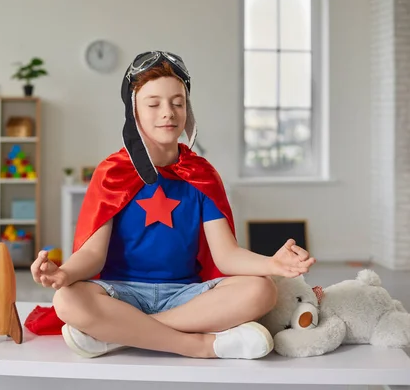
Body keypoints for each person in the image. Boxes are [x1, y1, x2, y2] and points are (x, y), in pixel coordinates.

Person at [28, 51, 316, 360]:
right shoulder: (112, 173)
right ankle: (199, 346)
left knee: (262, 291)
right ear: (134, 111)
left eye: (178, 103)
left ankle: (119, 335)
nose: (168, 112)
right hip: (120, 294)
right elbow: (93, 256)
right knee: (68, 300)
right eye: (153, 104)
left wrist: (271, 264)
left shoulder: (202, 175)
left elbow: (227, 255)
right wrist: (64, 274)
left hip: (185, 296)